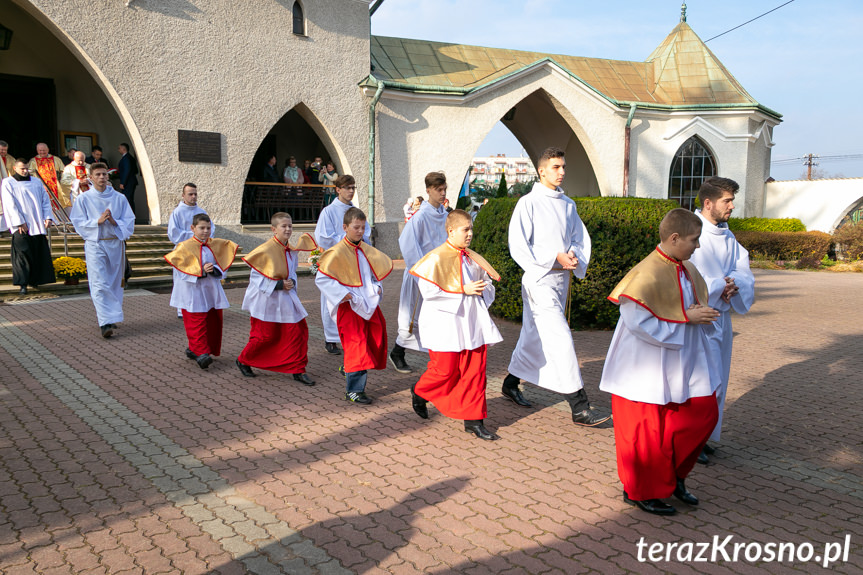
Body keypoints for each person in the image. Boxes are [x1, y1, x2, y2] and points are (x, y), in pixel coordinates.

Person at [600, 208, 720, 515]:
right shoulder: (645, 273)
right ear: (675, 238)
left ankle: (674, 476)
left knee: (701, 414)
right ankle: (641, 491)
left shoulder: (687, 268)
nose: (698, 246)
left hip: (684, 356)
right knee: (646, 430)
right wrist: (685, 317)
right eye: (694, 240)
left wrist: (703, 312)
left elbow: (694, 305)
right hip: (646, 361)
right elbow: (636, 320)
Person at [502, 146, 610, 426]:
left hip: (561, 281)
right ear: (541, 170)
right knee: (560, 338)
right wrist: (553, 258)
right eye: (555, 167)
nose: (562, 172)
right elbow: (517, 245)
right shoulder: (528, 202)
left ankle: (510, 382)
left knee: (533, 336)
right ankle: (580, 407)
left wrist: (573, 254)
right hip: (538, 281)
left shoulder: (569, 204)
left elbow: (579, 238)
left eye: (563, 167)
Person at [409, 209, 503, 440]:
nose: (470, 234)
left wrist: (482, 289)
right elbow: (429, 291)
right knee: (445, 370)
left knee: (475, 371)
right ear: (451, 231)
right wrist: (463, 289)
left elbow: (487, 284)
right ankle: (420, 391)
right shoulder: (435, 258)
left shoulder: (472, 256)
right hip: (447, 324)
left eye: (471, 229)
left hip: (472, 322)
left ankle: (474, 421)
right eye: (465, 230)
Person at [687, 177, 755, 463]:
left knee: (718, 379)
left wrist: (734, 283)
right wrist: (718, 286)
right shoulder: (689, 230)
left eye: (731, 200)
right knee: (698, 380)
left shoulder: (728, 235)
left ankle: (705, 435)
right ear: (708, 203)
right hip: (698, 319)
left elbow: (743, 268)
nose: (732, 205)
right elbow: (685, 270)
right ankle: (691, 439)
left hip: (721, 318)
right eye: (727, 200)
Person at [315, 207, 392, 405]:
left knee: (374, 339)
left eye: (363, 228)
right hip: (349, 306)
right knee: (357, 345)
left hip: (368, 303)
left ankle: (349, 369)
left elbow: (374, 275)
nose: (360, 231)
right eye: (356, 227)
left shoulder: (366, 249)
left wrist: (377, 287)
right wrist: (343, 294)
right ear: (345, 227)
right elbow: (322, 279)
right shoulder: (336, 253)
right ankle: (354, 390)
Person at [236, 212, 317, 385]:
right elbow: (257, 277)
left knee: (298, 332)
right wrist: (278, 285)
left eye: (290, 226)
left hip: (286, 298)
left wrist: (291, 282)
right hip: (267, 300)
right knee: (264, 336)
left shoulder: (290, 250)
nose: (288, 229)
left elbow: (292, 271)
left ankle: (297, 369)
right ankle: (244, 359)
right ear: (274, 229)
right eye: (284, 226)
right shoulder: (265, 250)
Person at [389, 172, 449, 373]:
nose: (442, 194)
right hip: (421, 274)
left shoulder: (446, 215)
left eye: (444, 190)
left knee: (437, 317)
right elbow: (407, 244)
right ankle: (398, 351)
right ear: (428, 190)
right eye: (438, 190)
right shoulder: (421, 216)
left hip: (441, 274)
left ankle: (440, 358)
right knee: (413, 317)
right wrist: (422, 271)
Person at [69, 163, 135, 338]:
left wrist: (114, 221)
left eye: (104, 174)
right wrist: (96, 222)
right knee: (99, 281)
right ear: (91, 177)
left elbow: (129, 221)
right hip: (95, 243)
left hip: (115, 244)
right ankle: (104, 322)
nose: (101, 177)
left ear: (108, 177)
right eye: (97, 174)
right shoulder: (83, 199)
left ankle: (111, 316)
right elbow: (77, 222)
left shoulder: (119, 198)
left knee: (114, 282)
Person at [164, 213, 238, 369]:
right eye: (202, 228)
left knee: (211, 320)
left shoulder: (215, 244)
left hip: (210, 289)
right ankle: (201, 352)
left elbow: (222, 264)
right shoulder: (183, 247)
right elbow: (180, 270)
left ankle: (195, 349)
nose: (205, 231)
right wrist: (201, 271)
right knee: (195, 320)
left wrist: (216, 269)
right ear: (193, 228)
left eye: (208, 228)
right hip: (192, 291)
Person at [313, 174, 371, 355]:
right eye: (347, 188)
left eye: (353, 188)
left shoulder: (356, 211)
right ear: (338, 189)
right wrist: (346, 240)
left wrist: (360, 239)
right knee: (333, 298)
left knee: (353, 295)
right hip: (336, 260)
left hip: (354, 260)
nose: (351, 191)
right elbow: (322, 236)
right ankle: (331, 338)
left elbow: (366, 233)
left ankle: (352, 333)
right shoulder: (329, 211)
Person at [1, 160, 56, 294]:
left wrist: (47, 217)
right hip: (20, 225)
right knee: (22, 254)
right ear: (14, 168)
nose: (25, 171)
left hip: (37, 223)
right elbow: (9, 203)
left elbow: (45, 200)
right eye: (22, 169)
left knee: (37, 252)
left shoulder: (36, 182)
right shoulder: (8, 182)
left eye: (26, 169)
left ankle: (36, 280)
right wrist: (19, 222)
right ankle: (23, 284)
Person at [168, 183, 215, 318]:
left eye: (195, 194)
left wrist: (201, 237)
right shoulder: (177, 212)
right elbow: (173, 233)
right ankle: (181, 309)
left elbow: (210, 228)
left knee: (198, 278)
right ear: (183, 195)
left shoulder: (201, 212)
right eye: (190, 194)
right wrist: (194, 236)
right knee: (182, 279)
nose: (193, 196)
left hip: (199, 249)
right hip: (183, 250)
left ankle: (198, 305)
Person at [28, 143, 69, 210]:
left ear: (48, 150)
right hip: (41, 187)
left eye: (44, 150)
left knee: (58, 207)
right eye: (40, 150)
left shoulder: (56, 159)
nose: (42, 152)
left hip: (56, 187)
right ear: (37, 151)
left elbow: (64, 172)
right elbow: (31, 176)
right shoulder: (33, 161)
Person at [117, 143, 139, 215]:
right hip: (131, 181)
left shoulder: (126, 158)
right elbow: (136, 170)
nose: (118, 150)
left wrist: (123, 182)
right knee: (130, 199)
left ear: (123, 149)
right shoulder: (131, 157)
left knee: (127, 200)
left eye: (119, 148)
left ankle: (129, 216)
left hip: (128, 182)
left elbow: (127, 170)